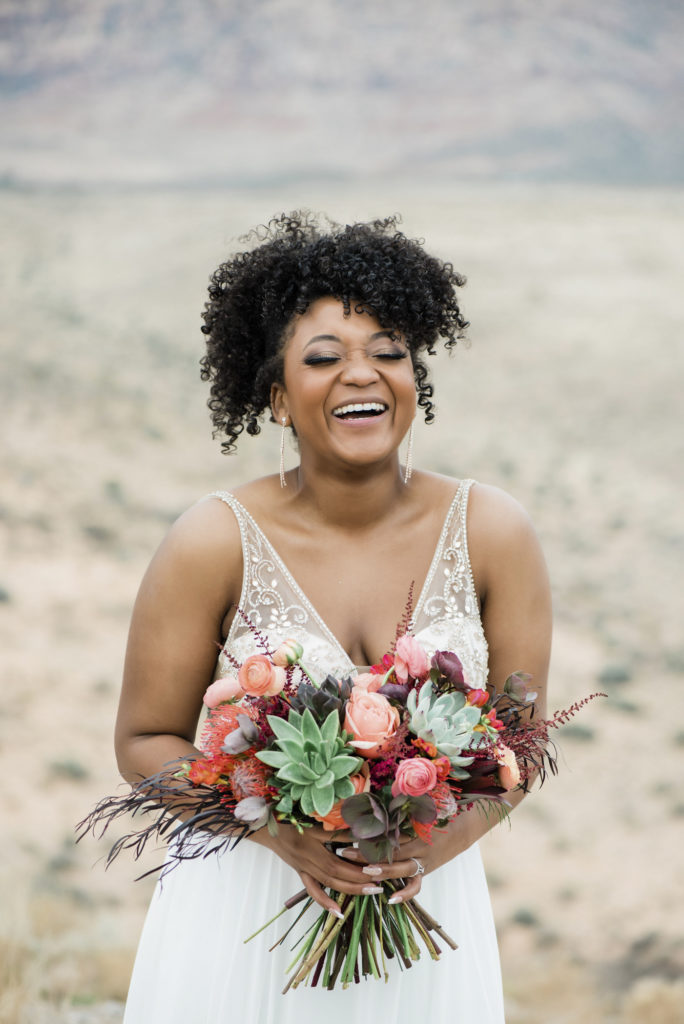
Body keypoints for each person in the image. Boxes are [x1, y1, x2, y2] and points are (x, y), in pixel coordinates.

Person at [115, 212, 552, 1022]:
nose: (363, 373)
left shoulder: (494, 531)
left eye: (390, 352)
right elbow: (143, 741)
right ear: (276, 398)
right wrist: (276, 833)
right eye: (324, 358)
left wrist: (430, 850)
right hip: (241, 920)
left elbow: (521, 746)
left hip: (429, 918)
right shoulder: (212, 541)